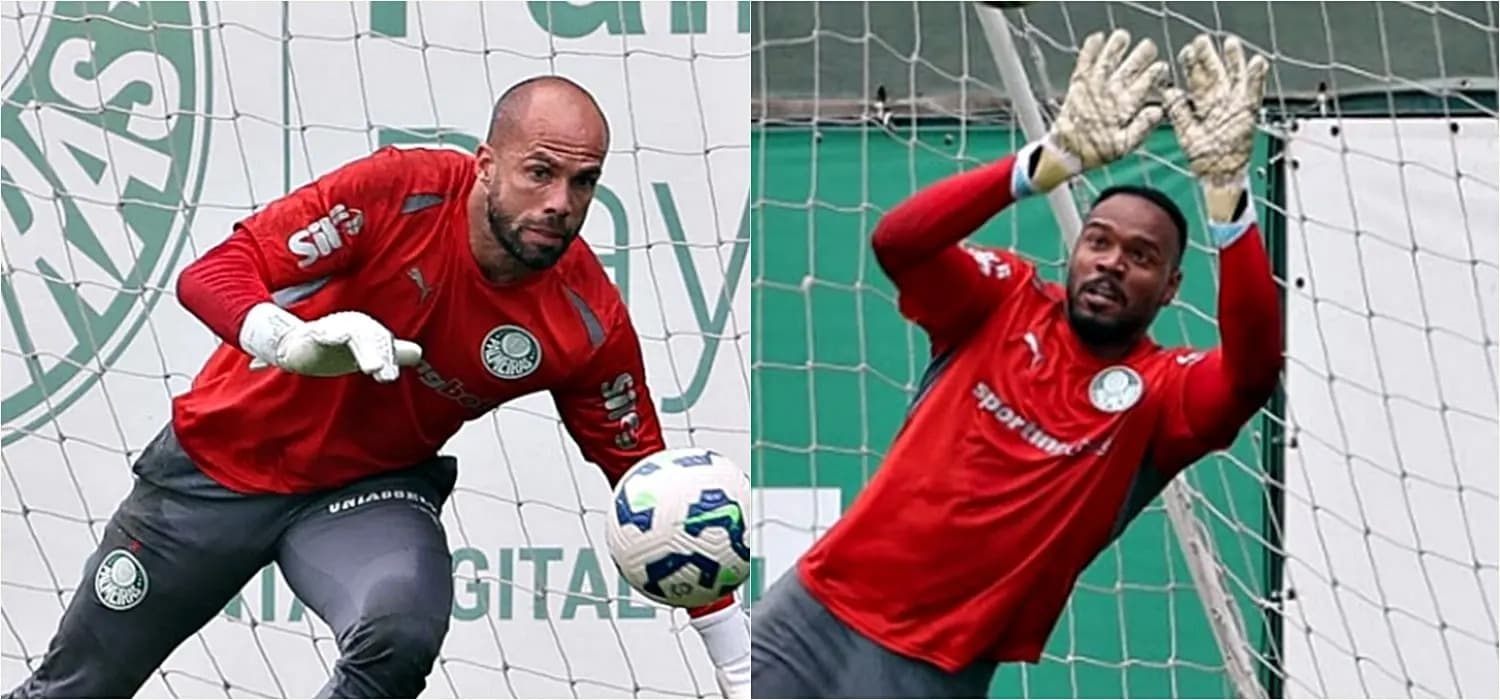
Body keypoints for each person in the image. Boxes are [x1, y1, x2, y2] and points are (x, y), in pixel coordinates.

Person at [6, 76, 749, 699]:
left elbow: (655, 490)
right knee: (76, 690)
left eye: (583, 182)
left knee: (400, 628)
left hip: (366, 495)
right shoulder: (400, 191)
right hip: (212, 476)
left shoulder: (587, 320)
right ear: (486, 165)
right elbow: (213, 274)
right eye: (540, 172)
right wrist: (291, 343)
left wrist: (736, 655)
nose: (561, 201)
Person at [751, 30, 1282, 699]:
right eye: (1098, 242)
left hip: (932, 664)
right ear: (1075, 251)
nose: (1112, 262)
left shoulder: (1162, 393)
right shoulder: (1002, 298)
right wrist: (1042, 164)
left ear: (1171, 287)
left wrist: (1229, 201)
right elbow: (899, 243)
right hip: (811, 608)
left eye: (1141, 256)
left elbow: (1252, 372)